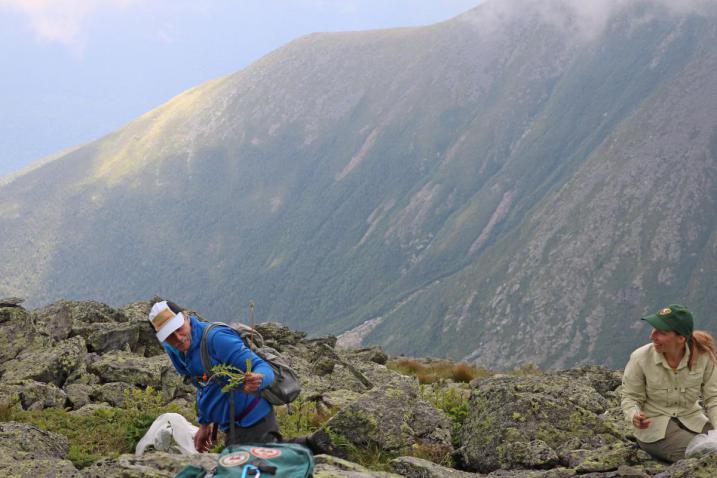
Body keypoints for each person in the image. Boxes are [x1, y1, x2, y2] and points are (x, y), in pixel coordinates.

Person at [149, 300, 279, 451]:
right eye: (169, 335)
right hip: (230, 425)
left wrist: (259, 378)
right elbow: (203, 385)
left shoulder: (216, 339)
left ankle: (309, 444)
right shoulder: (174, 350)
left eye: (179, 328)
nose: (178, 338)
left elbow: (264, 367)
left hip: (255, 421)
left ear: (186, 317)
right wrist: (204, 424)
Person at [621, 304, 717, 462]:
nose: (652, 336)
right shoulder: (640, 358)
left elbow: (714, 398)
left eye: (661, 332)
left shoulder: (703, 357)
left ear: (681, 339)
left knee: (709, 451)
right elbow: (630, 397)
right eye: (653, 329)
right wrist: (635, 416)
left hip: (693, 420)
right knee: (701, 456)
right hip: (655, 428)